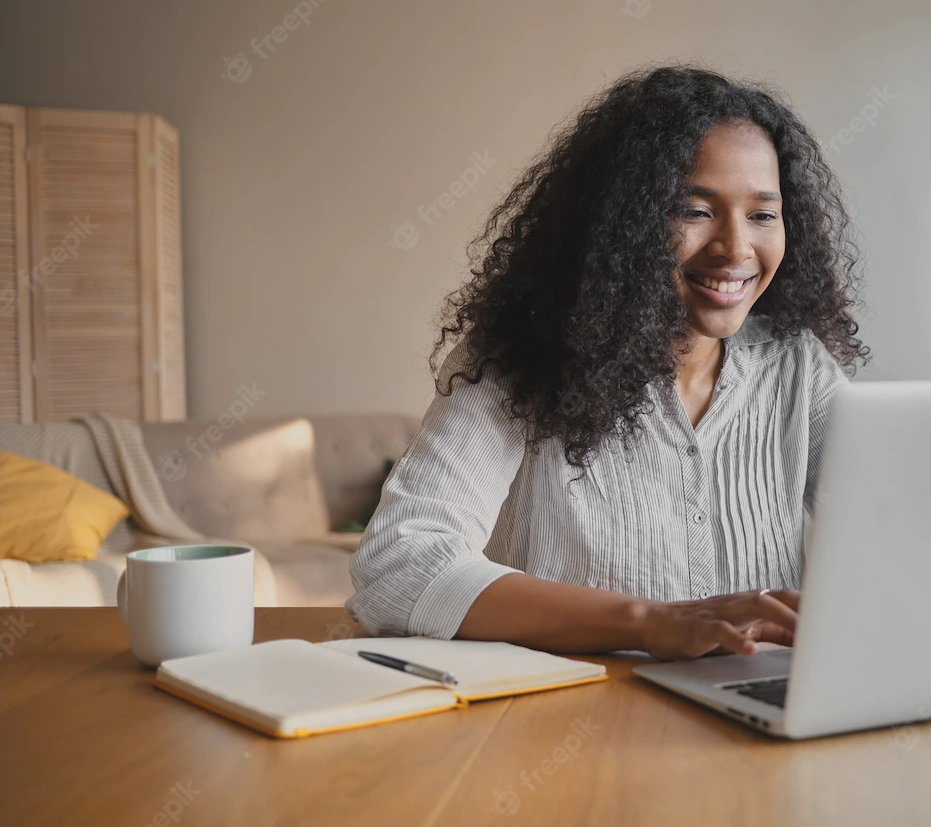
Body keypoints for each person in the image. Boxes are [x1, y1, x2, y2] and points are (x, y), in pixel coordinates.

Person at [347, 65, 867, 659]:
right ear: (623, 223)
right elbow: (400, 566)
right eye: (694, 211)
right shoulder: (520, 358)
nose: (735, 248)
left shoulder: (797, 366)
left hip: (752, 717)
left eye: (762, 214)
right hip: (565, 721)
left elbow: (904, 538)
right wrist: (648, 622)